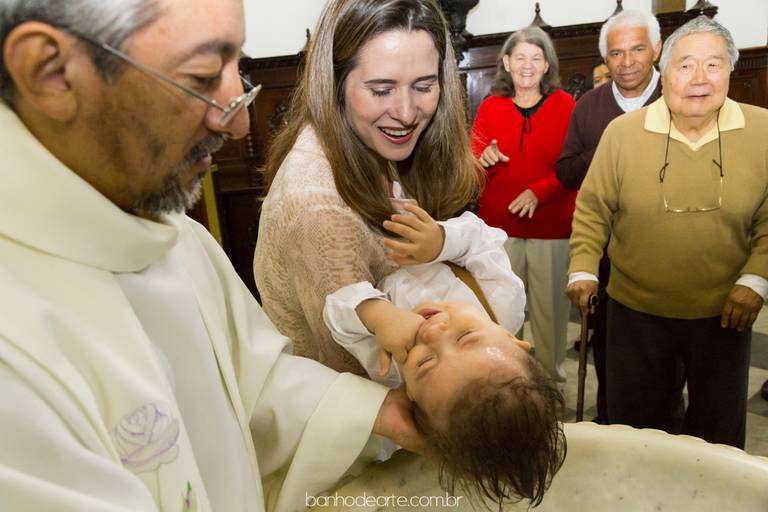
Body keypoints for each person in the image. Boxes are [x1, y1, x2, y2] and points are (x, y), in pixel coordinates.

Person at [0, 1, 423, 510]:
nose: (240, 122)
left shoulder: (176, 235)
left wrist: (379, 413)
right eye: (201, 76)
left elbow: (252, 385)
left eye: (236, 71)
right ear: (49, 71)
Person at [567, 16, 768, 449]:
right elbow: (593, 207)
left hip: (725, 313)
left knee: (718, 436)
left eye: (713, 65)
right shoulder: (623, 133)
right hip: (634, 311)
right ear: (665, 71)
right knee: (636, 434)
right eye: (685, 65)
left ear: (730, 71)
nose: (699, 79)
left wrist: (756, 279)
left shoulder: (763, 131)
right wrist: (583, 268)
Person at [254, 0, 479, 378]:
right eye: (381, 89)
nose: (406, 113)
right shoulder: (320, 210)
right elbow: (363, 378)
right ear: (336, 85)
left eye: (424, 86)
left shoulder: (370, 140)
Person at [323, 206, 565, 507]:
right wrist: (442, 241)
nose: (434, 333)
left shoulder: (390, 366)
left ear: (409, 395)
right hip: (418, 213)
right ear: (511, 339)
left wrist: (377, 314)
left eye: (425, 362)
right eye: (467, 337)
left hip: (358, 229)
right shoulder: (503, 300)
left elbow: (336, 312)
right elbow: (484, 239)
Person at [555, 9, 663, 423]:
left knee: (665, 358)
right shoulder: (589, 106)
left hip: (667, 251)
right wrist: (608, 148)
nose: (627, 61)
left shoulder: (678, 95)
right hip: (606, 253)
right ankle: (612, 424)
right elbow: (566, 171)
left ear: (656, 49)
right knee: (611, 351)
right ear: (605, 58)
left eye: (637, 49)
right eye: (616, 53)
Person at [471, 26, 575, 388]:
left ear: (547, 65)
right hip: (500, 230)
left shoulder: (565, 105)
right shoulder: (490, 106)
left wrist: (538, 193)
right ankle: (509, 384)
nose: (527, 65)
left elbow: (575, 164)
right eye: (520, 58)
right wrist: (482, 158)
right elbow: (473, 154)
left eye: (536, 58)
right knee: (503, 312)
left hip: (551, 226)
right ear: (506, 63)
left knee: (551, 313)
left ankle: (550, 387)